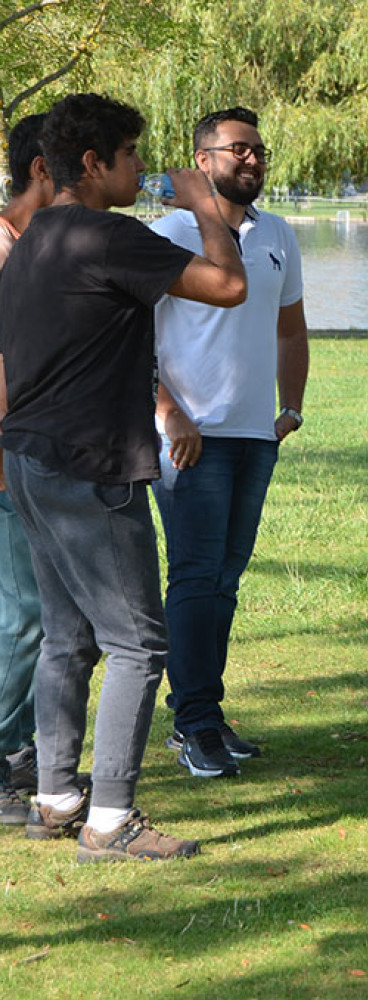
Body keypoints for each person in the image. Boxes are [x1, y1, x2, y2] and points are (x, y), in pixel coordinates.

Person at [0, 92, 246, 861]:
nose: (143, 166)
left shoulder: (36, 235)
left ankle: (54, 795)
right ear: (94, 163)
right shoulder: (104, 236)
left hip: (31, 459)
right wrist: (208, 206)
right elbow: (227, 287)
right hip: (89, 465)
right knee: (139, 643)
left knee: (68, 637)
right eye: (131, 154)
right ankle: (110, 820)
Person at [150, 107, 308, 778]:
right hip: (191, 440)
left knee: (223, 581)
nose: (252, 160)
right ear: (202, 158)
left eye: (259, 151)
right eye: (237, 150)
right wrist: (168, 412)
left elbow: (290, 329)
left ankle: (203, 713)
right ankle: (194, 726)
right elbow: (127, 338)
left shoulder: (277, 234)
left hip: (253, 436)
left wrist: (290, 408)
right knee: (194, 580)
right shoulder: (169, 232)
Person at [0, 113, 53, 823]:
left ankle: (34, 752)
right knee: (26, 615)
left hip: (43, 459)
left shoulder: (38, 248)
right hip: (11, 463)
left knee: (52, 615)